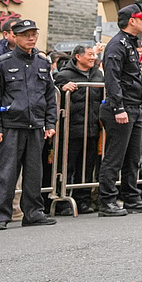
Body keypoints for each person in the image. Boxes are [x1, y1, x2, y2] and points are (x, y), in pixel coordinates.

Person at [0, 19, 57, 230]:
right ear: (14, 37)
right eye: (26, 35)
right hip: (11, 125)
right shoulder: (2, 63)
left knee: (34, 173)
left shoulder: (42, 63)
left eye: (34, 34)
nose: (31, 38)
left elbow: (49, 96)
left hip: (35, 125)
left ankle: (33, 213)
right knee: (6, 173)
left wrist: (50, 122)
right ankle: (0, 216)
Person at [97, 4, 142, 216]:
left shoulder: (129, 43)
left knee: (133, 158)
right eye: (141, 19)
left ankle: (131, 197)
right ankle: (107, 201)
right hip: (121, 108)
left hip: (134, 106)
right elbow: (112, 78)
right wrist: (118, 107)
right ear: (132, 20)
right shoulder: (117, 44)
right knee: (114, 158)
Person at [53, 44, 104, 214]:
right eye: (89, 54)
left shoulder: (98, 75)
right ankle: (62, 202)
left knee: (87, 168)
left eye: (93, 55)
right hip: (70, 129)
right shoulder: (64, 75)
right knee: (66, 167)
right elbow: (55, 96)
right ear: (78, 56)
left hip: (92, 129)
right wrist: (62, 89)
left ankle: (83, 201)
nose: (93, 58)